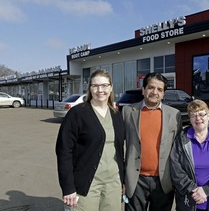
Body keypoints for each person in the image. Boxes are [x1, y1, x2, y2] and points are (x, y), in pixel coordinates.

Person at [55, 69, 125, 211]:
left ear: (111, 87)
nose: (100, 90)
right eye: (95, 86)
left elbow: (119, 149)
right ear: (89, 88)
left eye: (104, 85)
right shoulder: (77, 113)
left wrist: (122, 180)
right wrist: (68, 187)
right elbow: (64, 151)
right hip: (87, 183)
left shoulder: (116, 114)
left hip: (113, 183)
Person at [122, 72, 182, 211]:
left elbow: (178, 150)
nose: (155, 92)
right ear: (143, 90)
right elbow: (118, 146)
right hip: (135, 180)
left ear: (163, 94)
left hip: (163, 181)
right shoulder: (127, 111)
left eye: (160, 89)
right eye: (151, 87)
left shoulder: (174, 115)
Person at [170, 99, 209, 211]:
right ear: (190, 119)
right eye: (193, 115)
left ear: (208, 116)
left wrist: (206, 190)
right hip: (187, 200)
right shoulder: (181, 139)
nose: (198, 118)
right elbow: (175, 168)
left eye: (201, 114)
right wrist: (193, 190)